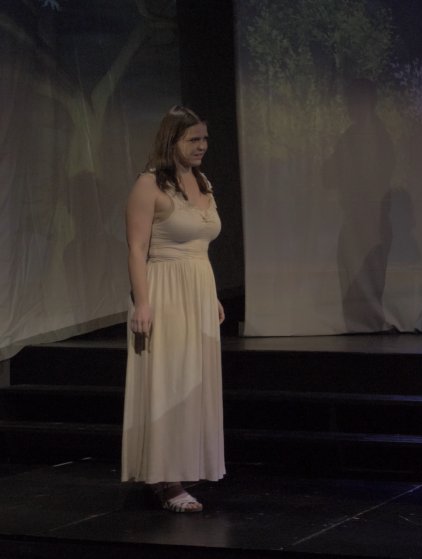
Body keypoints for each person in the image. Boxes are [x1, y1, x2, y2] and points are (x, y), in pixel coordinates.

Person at [121, 105, 226, 513]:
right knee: (168, 380)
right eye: (192, 139)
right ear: (172, 140)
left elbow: (199, 246)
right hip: (163, 290)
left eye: (204, 139)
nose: (202, 146)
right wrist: (143, 302)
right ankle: (165, 480)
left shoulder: (202, 182)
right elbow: (136, 249)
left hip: (198, 290)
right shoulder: (149, 185)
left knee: (191, 383)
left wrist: (211, 295)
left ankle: (181, 466)